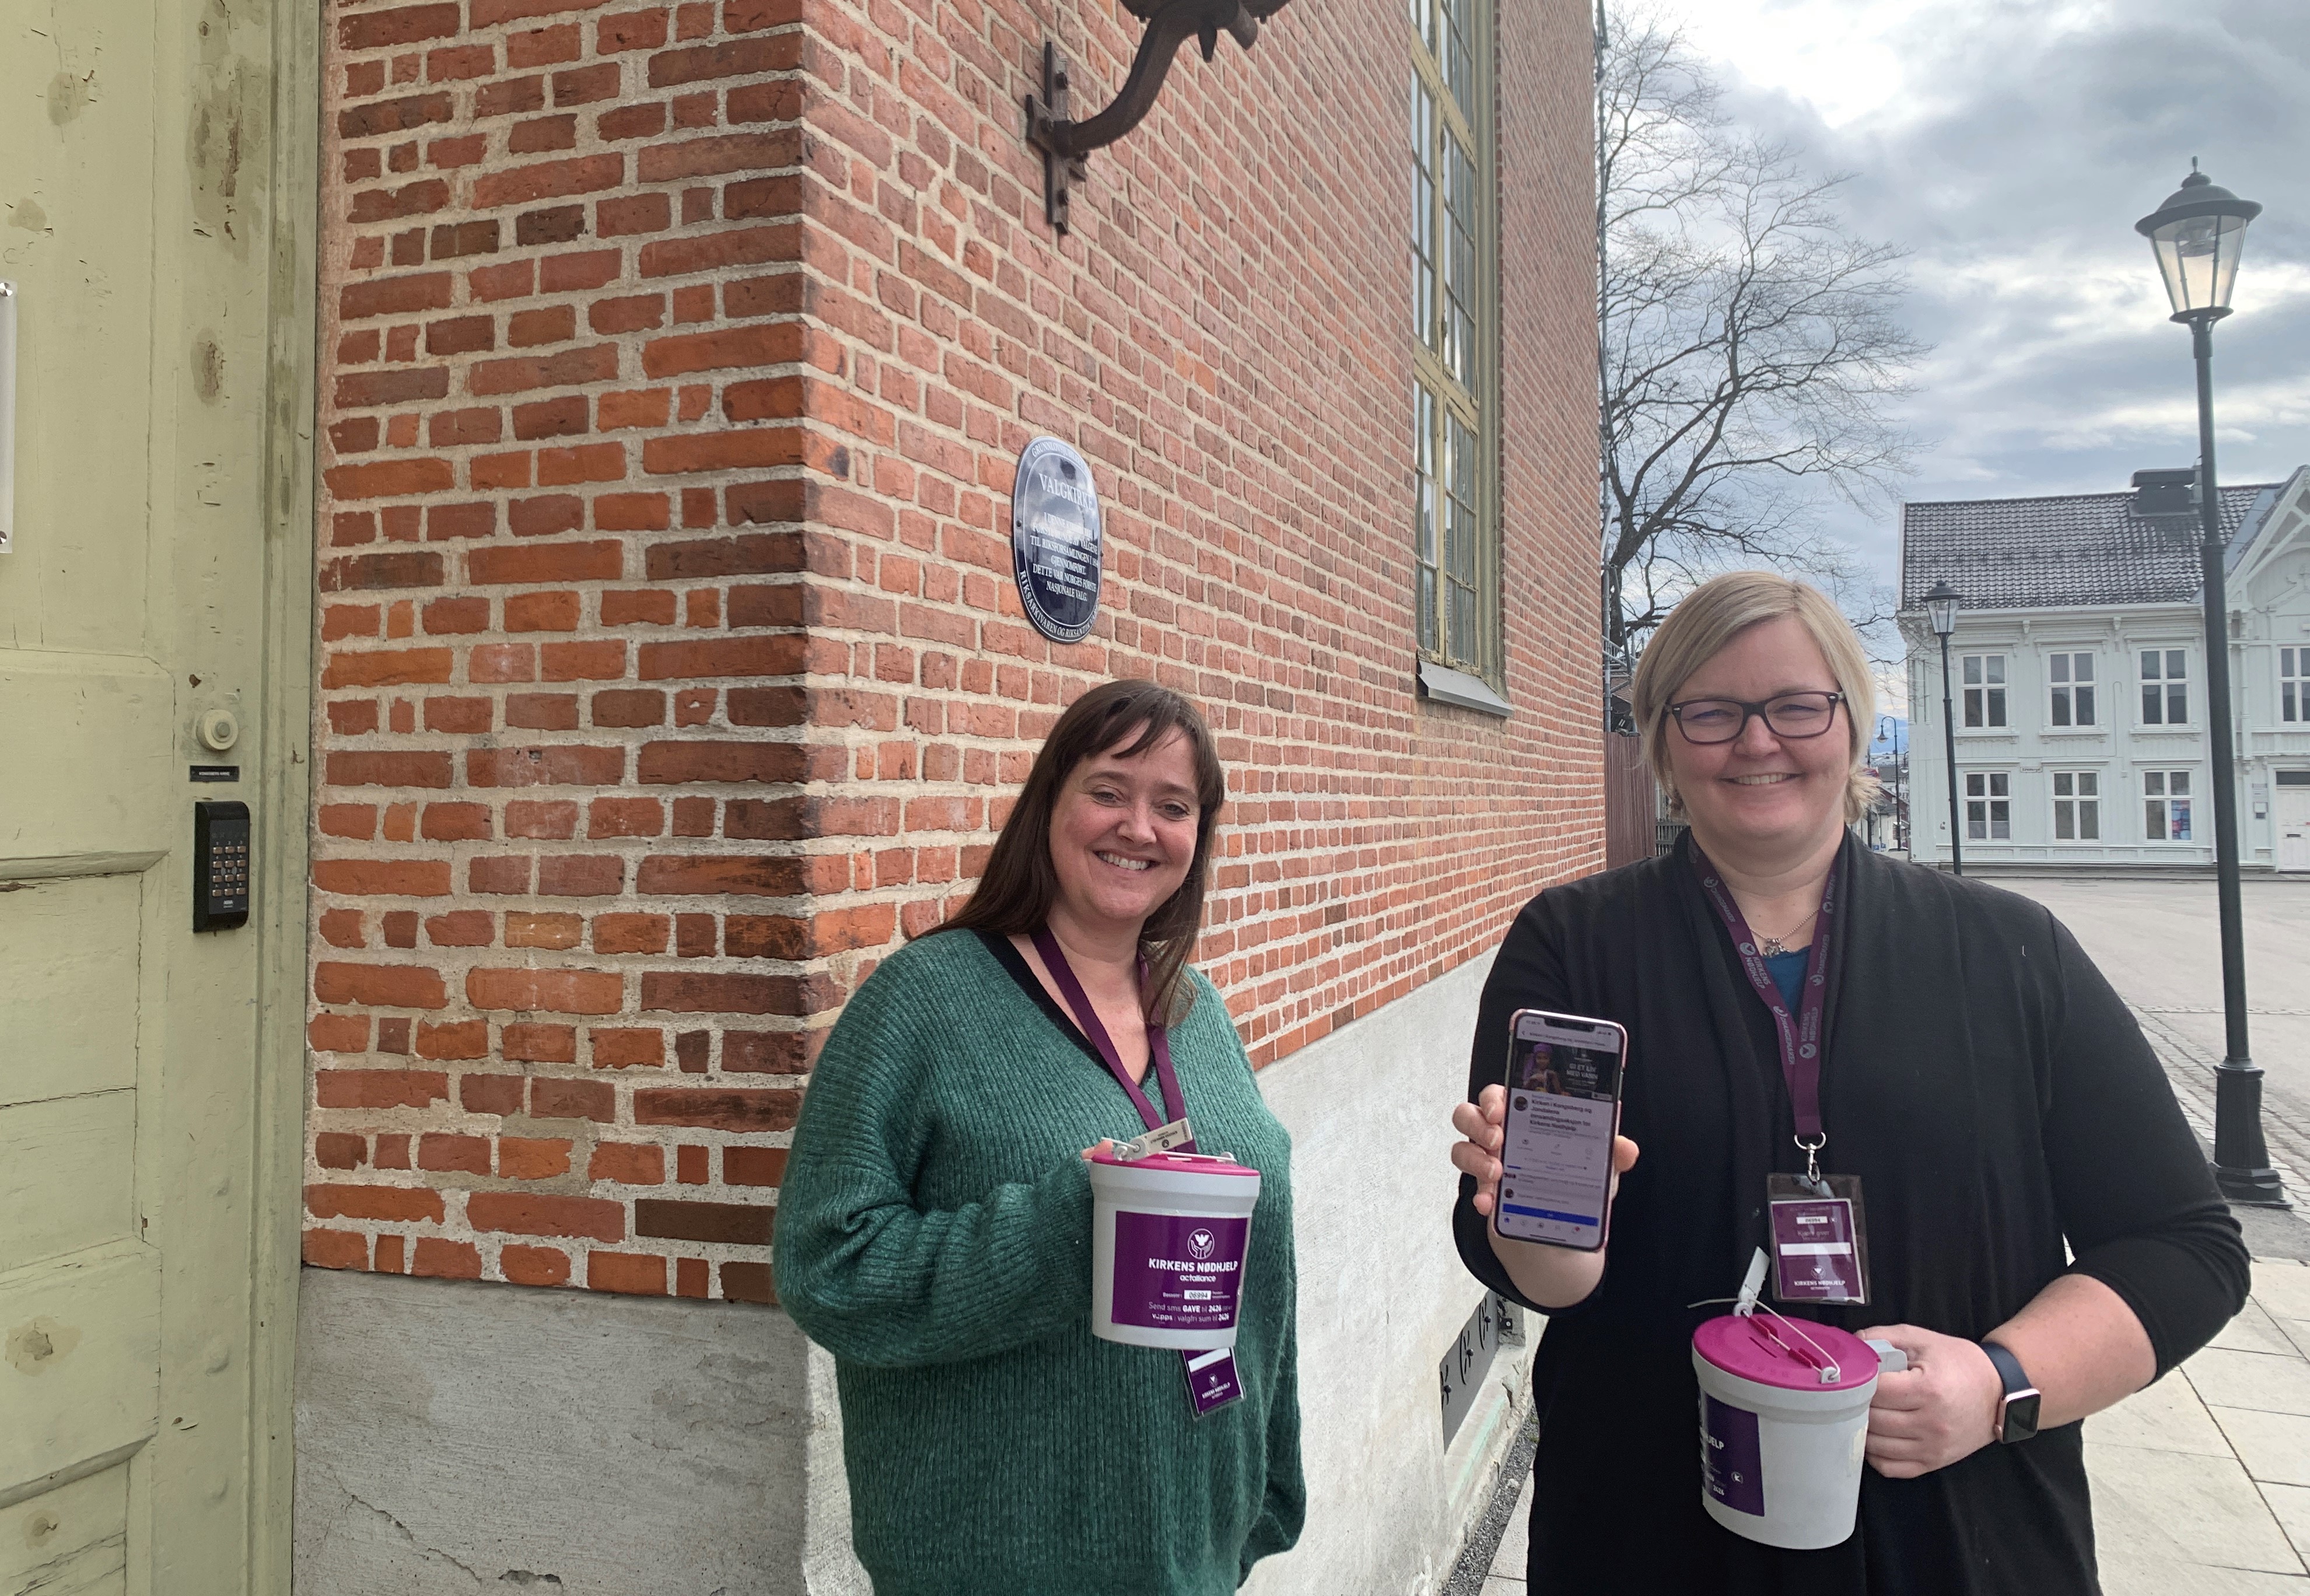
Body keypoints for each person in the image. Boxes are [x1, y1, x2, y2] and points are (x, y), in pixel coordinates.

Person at [1447, 572, 2248, 1594]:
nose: (1757, 741)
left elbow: (2185, 1246)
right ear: (1662, 740)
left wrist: (1999, 1383)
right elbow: (1542, 1279)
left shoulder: (2009, 953)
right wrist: (1548, 1222)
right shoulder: (1574, 946)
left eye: (1797, 706)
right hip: (1654, 1532)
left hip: (1963, 1538)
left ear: (1854, 724)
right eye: (1711, 712)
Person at [775, 678, 1303, 1596]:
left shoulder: (1198, 1011)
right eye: (1109, 791)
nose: (1139, 828)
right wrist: (1064, 1231)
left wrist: (1268, 1482)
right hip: (999, 1564)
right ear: (1049, 804)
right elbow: (827, 1269)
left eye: (1173, 806)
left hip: (1192, 1553)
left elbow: (1263, 1272)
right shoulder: (923, 1003)